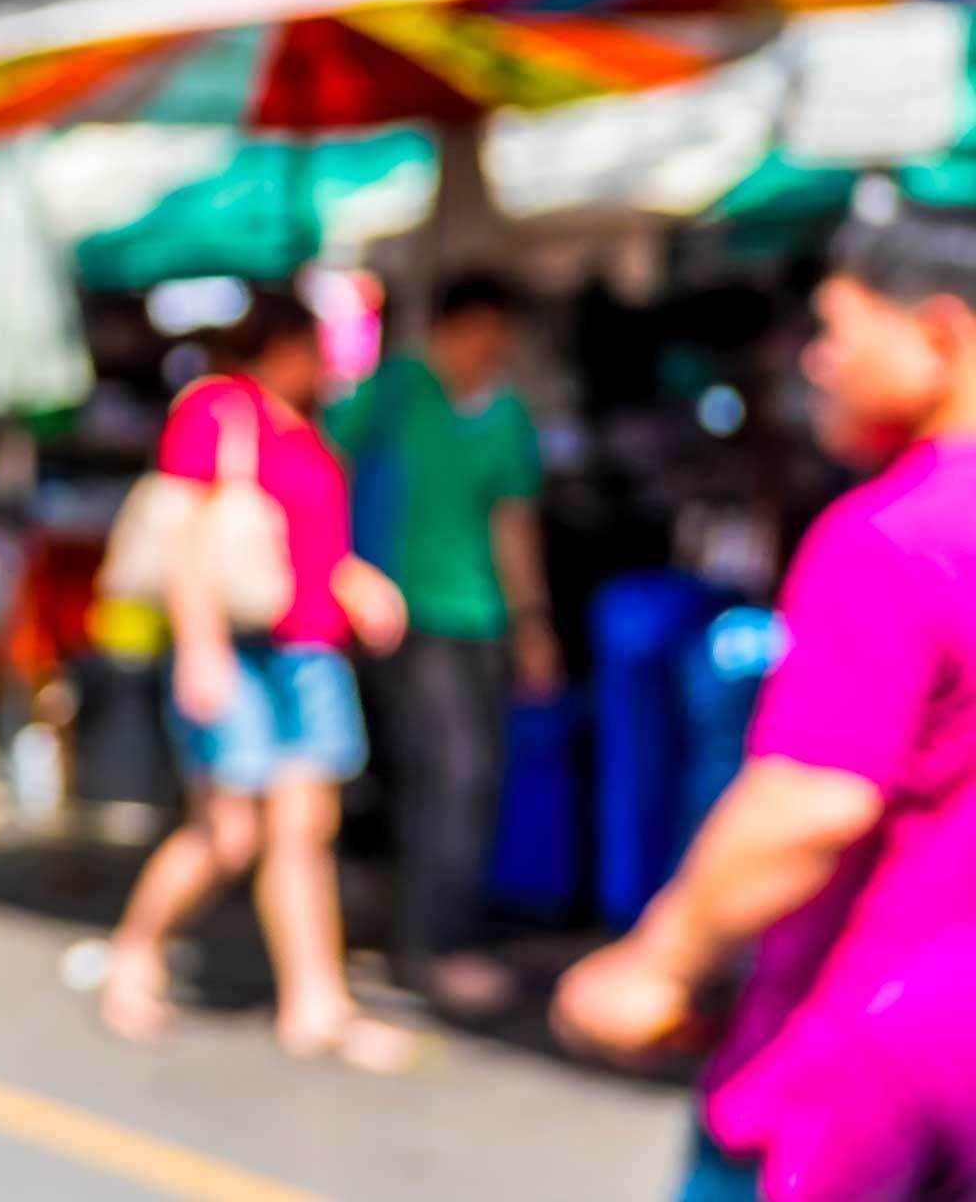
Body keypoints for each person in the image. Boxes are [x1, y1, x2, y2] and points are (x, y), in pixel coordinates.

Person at [558, 209, 976, 1200]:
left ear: (942, 333)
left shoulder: (893, 532)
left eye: (836, 329)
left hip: (859, 1060)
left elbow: (810, 803)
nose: (814, 361)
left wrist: (658, 961)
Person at [96, 287, 418, 1072]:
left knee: (304, 831)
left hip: (308, 654)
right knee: (227, 831)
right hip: (235, 653)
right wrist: (200, 650)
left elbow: (308, 549)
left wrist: (355, 584)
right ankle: (135, 952)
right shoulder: (218, 411)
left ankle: (318, 1003)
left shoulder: (308, 431)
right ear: (286, 346)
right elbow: (185, 536)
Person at [329, 274, 560, 1017]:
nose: (493, 347)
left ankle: (439, 933)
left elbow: (511, 524)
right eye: (483, 330)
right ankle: (431, 946)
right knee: (444, 777)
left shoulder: (506, 416)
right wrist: (346, 568)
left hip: (480, 618)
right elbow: (324, 468)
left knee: (472, 778)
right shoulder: (395, 390)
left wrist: (533, 624)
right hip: (404, 616)